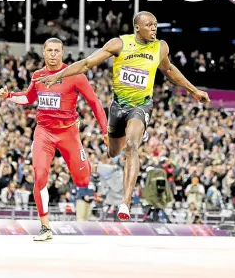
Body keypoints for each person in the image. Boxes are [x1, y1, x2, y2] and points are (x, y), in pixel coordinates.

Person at [35, 12, 210, 221]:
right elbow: (86, 64)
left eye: (155, 25)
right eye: (149, 25)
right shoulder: (119, 44)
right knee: (114, 151)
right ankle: (122, 138)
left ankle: (125, 203)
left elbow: (169, 70)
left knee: (132, 146)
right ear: (137, 27)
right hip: (118, 106)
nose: (154, 28)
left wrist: (194, 90)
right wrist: (58, 75)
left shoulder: (160, 47)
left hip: (141, 105)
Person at [0, 38, 109, 241]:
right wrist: (9, 95)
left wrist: (105, 131)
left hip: (69, 134)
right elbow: (29, 99)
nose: (53, 54)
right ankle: (45, 227)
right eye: (50, 50)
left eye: (57, 50)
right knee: (39, 176)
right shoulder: (37, 76)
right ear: (44, 53)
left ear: (62, 52)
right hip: (44, 132)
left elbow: (94, 102)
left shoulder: (75, 75)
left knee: (82, 180)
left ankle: (84, 163)